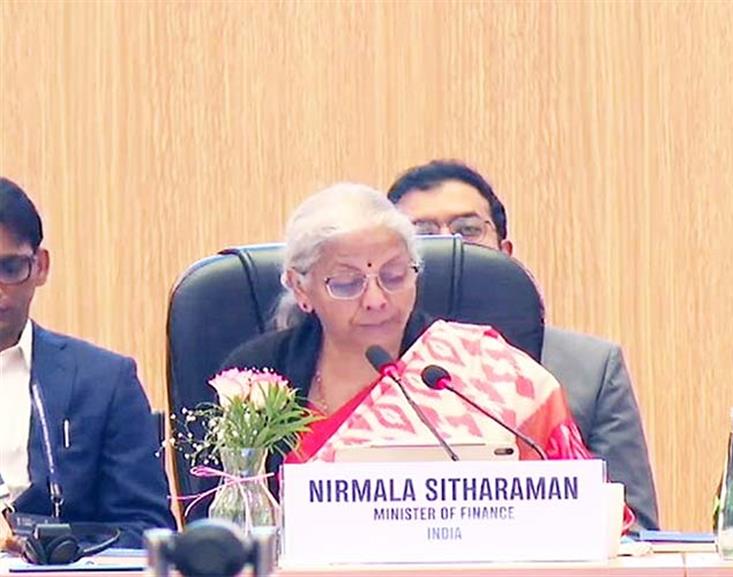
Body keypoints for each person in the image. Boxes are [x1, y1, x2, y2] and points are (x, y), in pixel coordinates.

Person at [222, 182, 634, 528]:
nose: (376, 299)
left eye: (394, 276)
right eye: (347, 283)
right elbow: (226, 523)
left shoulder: (483, 370)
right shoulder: (254, 380)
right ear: (301, 288)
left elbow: (585, 516)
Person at [387, 160, 659, 530]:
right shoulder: (356, 365)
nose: (448, 244)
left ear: (505, 251)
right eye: (422, 234)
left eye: (468, 230)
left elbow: (635, 532)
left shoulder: (590, 368)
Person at [0, 177, 176, 548]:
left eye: (9, 268)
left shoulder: (104, 382)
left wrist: (61, 552)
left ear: (40, 266)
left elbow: (146, 529)